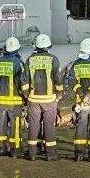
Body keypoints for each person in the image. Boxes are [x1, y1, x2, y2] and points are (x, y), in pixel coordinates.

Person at [22, 33, 63, 161]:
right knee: (49, 126)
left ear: (36, 46)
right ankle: (50, 154)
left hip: (33, 99)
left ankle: (32, 153)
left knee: (33, 125)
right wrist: (59, 95)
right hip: (49, 99)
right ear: (48, 46)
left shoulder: (30, 60)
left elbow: (24, 81)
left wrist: (26, 96)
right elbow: (58, 79)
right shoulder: (53, 59)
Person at [67, 38, 90, 162]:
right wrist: (89, 94)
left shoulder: (75, 64)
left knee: (81, 126)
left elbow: (71, 81)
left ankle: (79, 154)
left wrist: (81, 93)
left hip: (81, 102)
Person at [0, 36, 25, 158]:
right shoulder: (18, 63)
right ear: (17, 49)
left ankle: (0, 149)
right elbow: (22, 81)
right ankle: (15, 151)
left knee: (0, 126)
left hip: (1, 100)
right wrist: (25, 96)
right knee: (15, 127)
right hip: (14, 101)